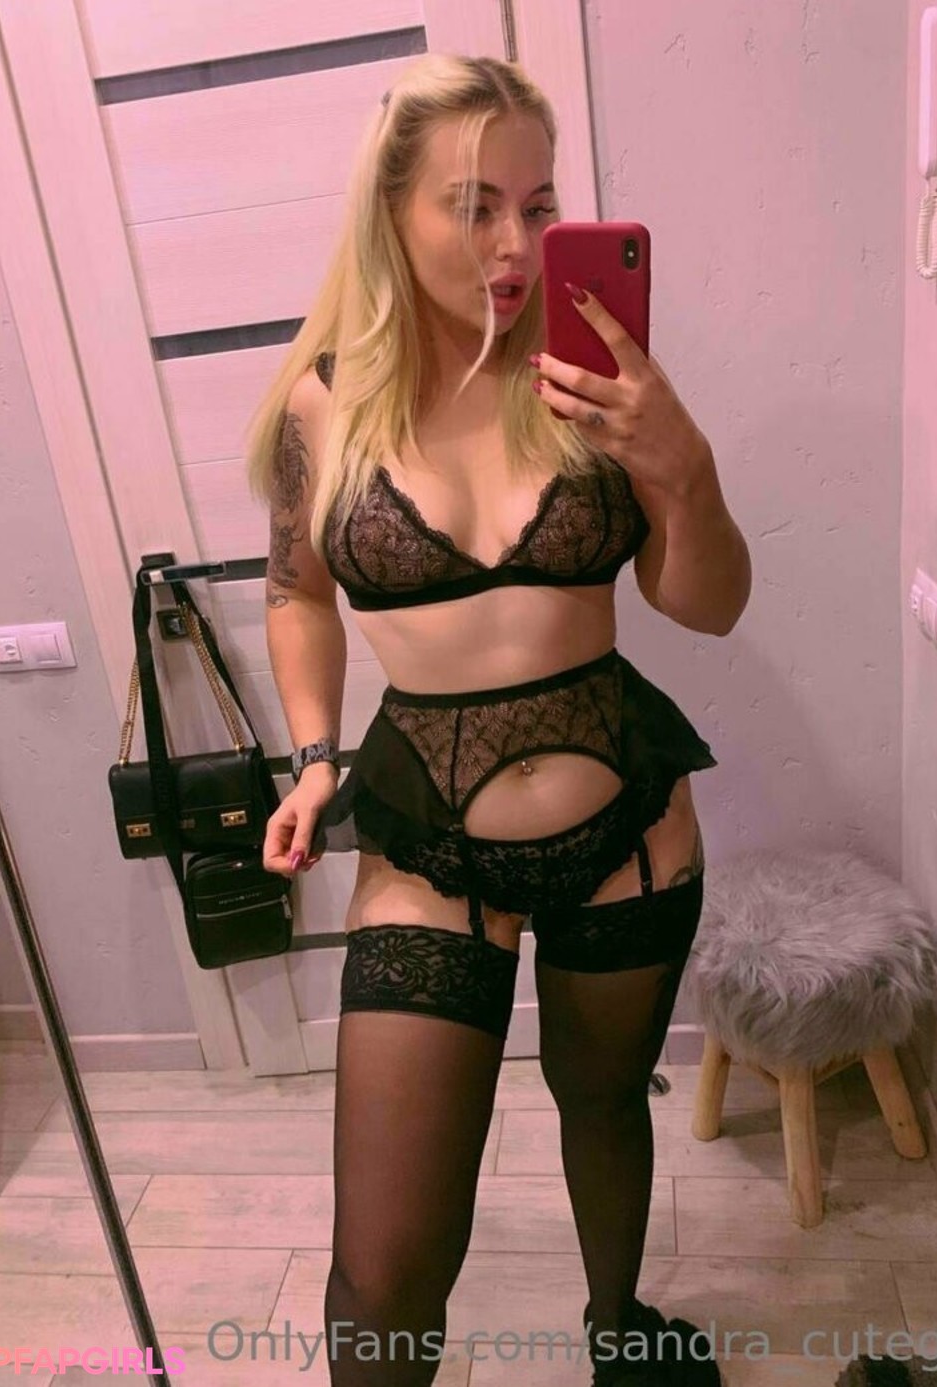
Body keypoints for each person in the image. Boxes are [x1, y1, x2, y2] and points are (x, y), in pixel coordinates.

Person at [247, 52, 748, 1387]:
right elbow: (296, 594)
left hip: (630, 826)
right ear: (391, 212)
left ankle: (618, 1327)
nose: (516, 245)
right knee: (385, 1266)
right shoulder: (321, 404)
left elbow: (708, 605)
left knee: (603, 1101)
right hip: (429, 839)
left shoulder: (596, 381)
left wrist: (686, 473)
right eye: (473, 206)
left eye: (538, 205)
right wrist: (313, 756)